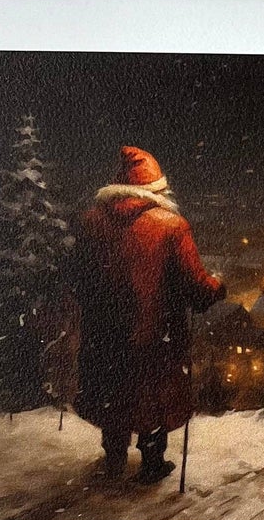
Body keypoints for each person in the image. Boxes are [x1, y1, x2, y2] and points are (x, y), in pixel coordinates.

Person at [72, 146, 223, 482]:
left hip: (103, 333)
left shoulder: (89, 222)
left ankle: (114, 458)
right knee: (152, 397)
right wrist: (216, 288)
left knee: (113, 393)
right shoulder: (171, 226)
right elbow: (196, 285)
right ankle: (152, 465)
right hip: (155, 333)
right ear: (156, 189)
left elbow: (75, 276)